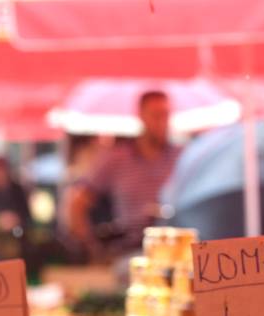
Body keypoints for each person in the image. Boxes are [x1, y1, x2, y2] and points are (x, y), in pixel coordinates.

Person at [68, 91, 181, 258]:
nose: (162, 122)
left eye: (165, 115)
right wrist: (92, 248)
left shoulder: (181, 157)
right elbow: (76, 203)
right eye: (156, 115)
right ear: (141, 116)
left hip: (175, 249)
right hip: (129, 251)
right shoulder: (118, 158)